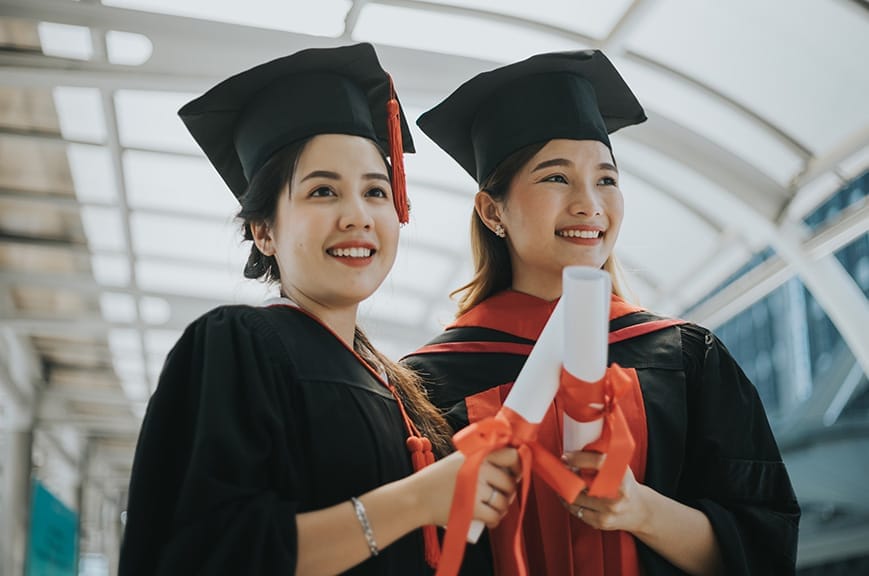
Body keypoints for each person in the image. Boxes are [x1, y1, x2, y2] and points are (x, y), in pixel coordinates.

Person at [118, 43, 520, 576]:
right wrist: (417, 499)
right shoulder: (239, 346)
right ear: (264, 231)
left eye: (376, 192)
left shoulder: (400, 387)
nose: (358, 215)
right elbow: (215, 553)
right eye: (323, 191)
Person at [402, 49, 800, 575]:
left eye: (607, 179)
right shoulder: (427, 383)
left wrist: (642, 511)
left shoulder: (687, 359)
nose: (590, 203)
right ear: (492, 210)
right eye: (556, 178)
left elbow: (765, 547)